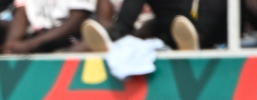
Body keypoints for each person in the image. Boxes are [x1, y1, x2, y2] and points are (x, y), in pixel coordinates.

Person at [80, 0, 225, 50]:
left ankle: (117, 36)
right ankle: (116, 38)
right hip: (176, 26)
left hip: (211, 27)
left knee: (152, 25)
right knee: (152, 25)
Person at [0, 0, 94, 53]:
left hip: (69, 39)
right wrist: (11, 44)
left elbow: (75, 22)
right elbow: (21, 13)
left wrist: (31, 44)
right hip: (36, 38)